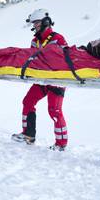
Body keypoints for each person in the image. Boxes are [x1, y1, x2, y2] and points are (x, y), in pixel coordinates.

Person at [11, 9, 69, 151]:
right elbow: (32, 59)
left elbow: (67, 58)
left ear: (46, 22)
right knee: (28, 102)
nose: (35, 25)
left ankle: (61, 144)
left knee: (54, 111)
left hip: (56, 80)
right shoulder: (35, 41)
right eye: (34, 23)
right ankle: (28, 135)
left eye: (37, 22)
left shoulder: (58, 38)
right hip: (42, 80)